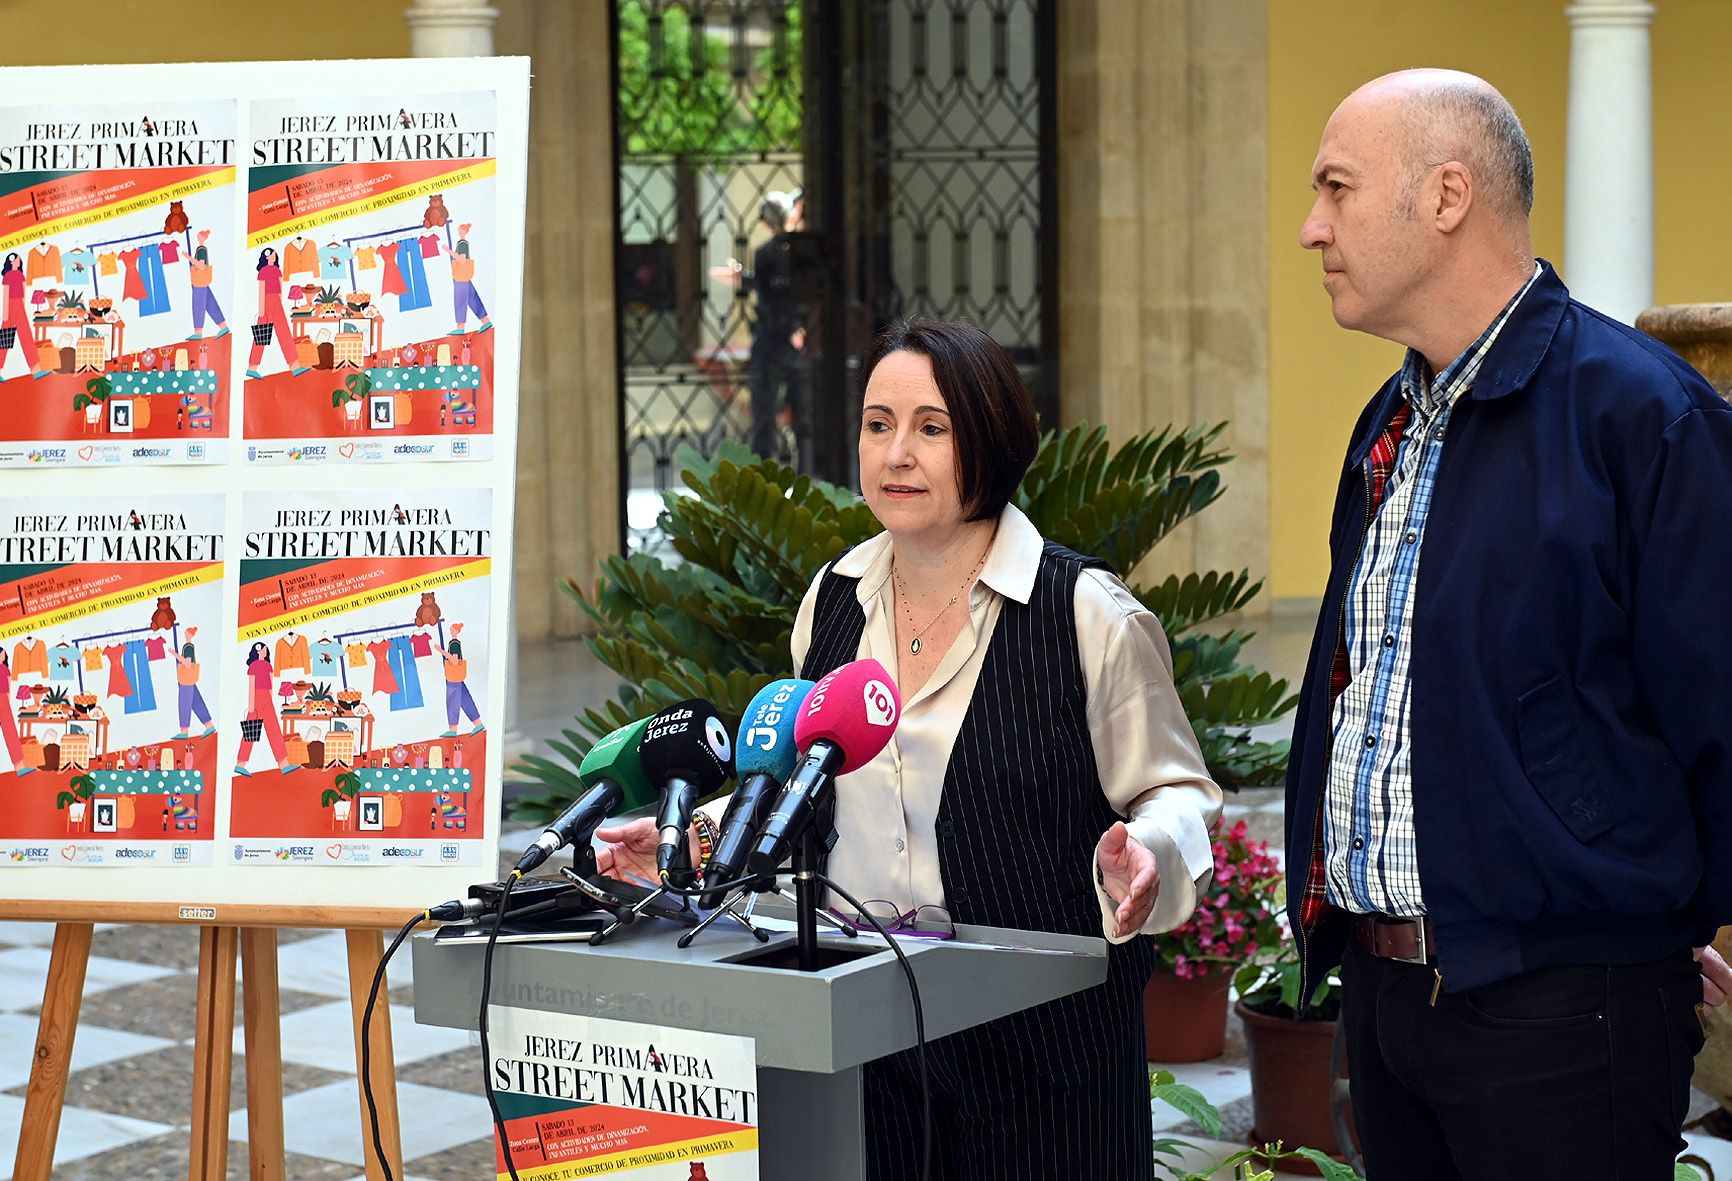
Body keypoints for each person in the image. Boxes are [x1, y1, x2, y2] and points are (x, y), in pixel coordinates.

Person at [598, 318, 1222, 1179]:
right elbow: (795, 778)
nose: (897, 453)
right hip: (867, 1035)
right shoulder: (834, 600)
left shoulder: (1086, 613)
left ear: (992, 440)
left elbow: (1182, 794)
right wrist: (690, 837)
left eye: (932, 428)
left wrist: (1148, 853)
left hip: (1048, 1051)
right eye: (877, 423)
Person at [1287, 68, 1732, 1179]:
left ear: (1446, 197)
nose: (1311, 228)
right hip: (1387, 998)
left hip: (1563, 1014)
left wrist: (1684, 923)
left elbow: (1717, 711)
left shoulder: (1644, 416)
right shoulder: (1388, 420)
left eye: (1337, 188)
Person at [234, 641, 297, 777]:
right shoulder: (252, 667)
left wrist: (270, 701)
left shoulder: (268, 666)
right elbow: (251, 686)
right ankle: (240, 764)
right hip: (256, 698)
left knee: (273, 730)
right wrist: (251, 705)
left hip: (267, 700)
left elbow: (271, 686)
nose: (265, 651)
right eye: (263, 649)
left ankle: (283, 764)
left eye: (265, 650)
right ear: (257, 651)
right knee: (250, 732)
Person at [246, 246, 308, 381]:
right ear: (266, 257)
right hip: (267, 302)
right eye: (272, 254)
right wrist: (261, 310)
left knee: (284, 332)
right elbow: (261, 290)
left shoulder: (278, 271)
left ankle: (295, 366)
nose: (274, 256)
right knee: (261, 335)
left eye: (275, 254)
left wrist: (280, 305)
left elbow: (280, 290)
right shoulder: (262, 272)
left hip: (276, 303)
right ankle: (252, 368)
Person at [0, 252, 50, 381]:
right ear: (11, 262)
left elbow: (23, 295)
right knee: (5, 339)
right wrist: (5, 315)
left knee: (26, 336)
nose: (19, 261)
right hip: (10, 307)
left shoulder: (21, 276)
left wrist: (22, 310)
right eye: (17, 259)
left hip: (19, 308)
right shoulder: (7, 277)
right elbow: (5, 295)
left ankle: (36, 369)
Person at [442, 225, 492, 335]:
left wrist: (448, 251)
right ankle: (485, 320)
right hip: (463, 275)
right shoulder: (462, 242)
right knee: (472, 297)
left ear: (463, 231)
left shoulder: (463, 243)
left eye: (459, 229)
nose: (458, 230)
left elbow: (462, 260)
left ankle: (460, 327)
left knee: (460, 300)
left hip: (460, 276)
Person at [439, 621, 485, 738]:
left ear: (455, 631)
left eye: (451, 629)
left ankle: (453, 728)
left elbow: (454, 660)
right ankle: (478, 723)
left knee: (452, 699)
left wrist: (441, 651)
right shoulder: (455, 643)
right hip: (457, 674)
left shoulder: (454, 643)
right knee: (464, 698)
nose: (450, 631)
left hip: (453, 675)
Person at [172, 625, 216, 740]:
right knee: (196, 701)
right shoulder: (188, 646)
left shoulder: (188, 647)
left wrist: (174, 654)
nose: (184, 635)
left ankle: (184, 730)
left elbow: (187, 664)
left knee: (184, 702)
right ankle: (209, 725)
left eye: (186, 633)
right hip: (188, 678)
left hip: (186, 678)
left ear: (190, 635)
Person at [186, 230, 230, 341]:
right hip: (202, 281)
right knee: (210, 303)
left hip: (199, 282)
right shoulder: (202, 249)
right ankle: (223, 326)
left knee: (198, 304)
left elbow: (200, 266)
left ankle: (198, 332)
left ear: (201, 238)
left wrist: (188, 257)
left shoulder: (201, 250)